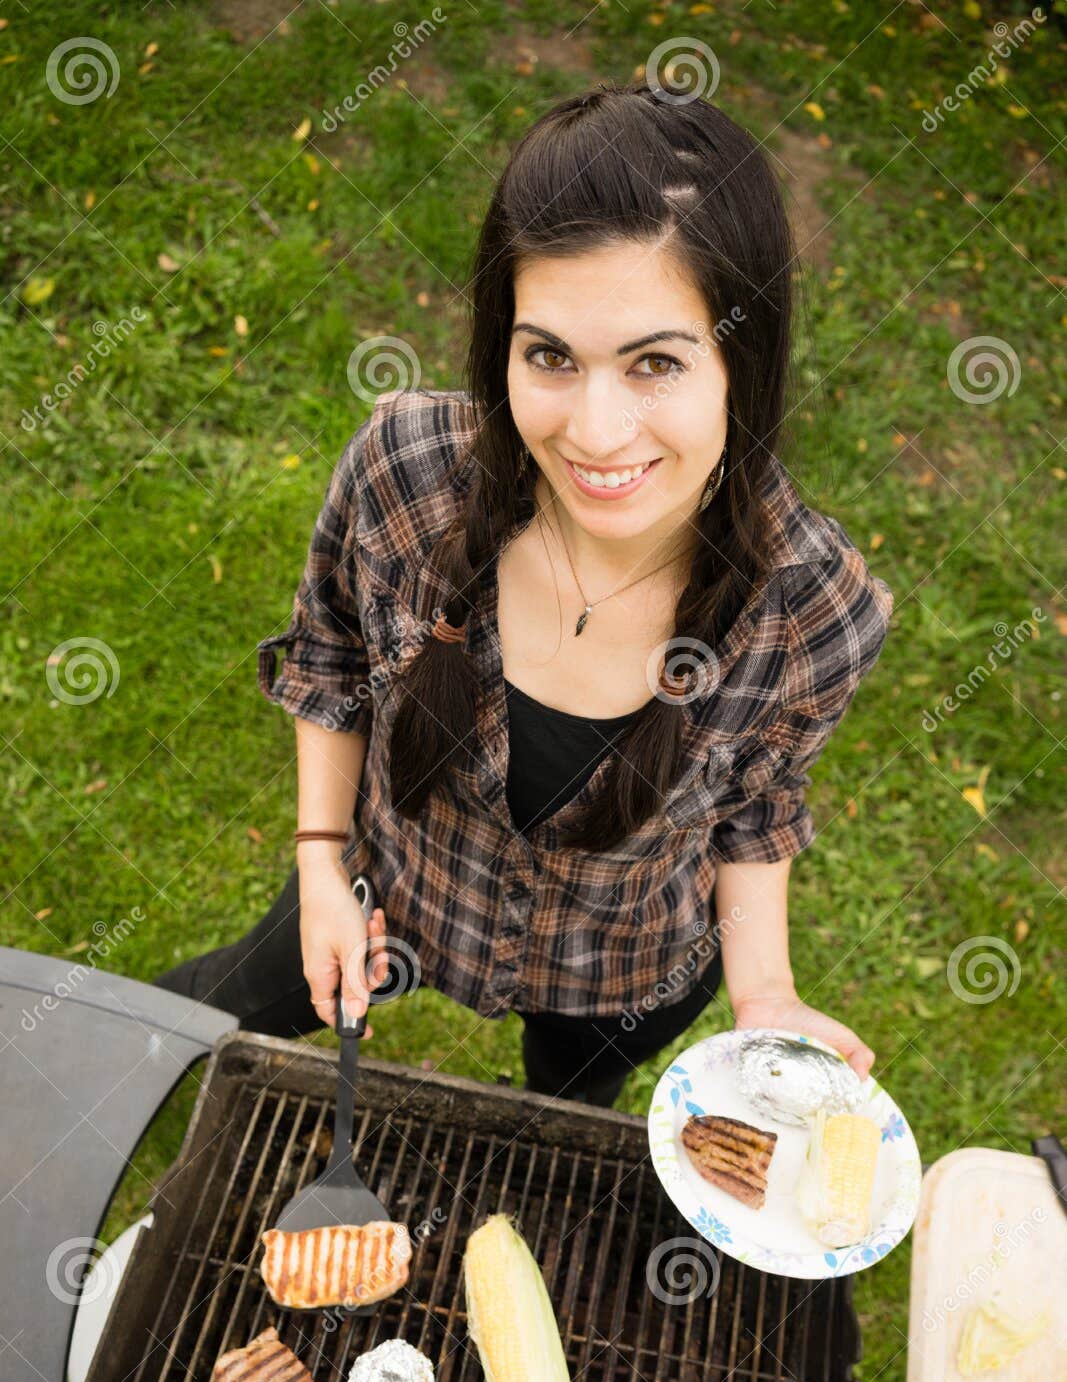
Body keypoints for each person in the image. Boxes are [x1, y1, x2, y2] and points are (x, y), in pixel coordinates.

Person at [152, 81, 893, 1111]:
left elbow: (755, 809)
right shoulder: (404, 472)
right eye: (549, 355)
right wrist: (321, 862)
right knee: (214, 1004)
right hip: (385, 887)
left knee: (558, 1117)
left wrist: (764, 991)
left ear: (742, 360)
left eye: (654, 364)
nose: (592, 433)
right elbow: (328, 660)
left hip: (616, 973)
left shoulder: (816, 608)